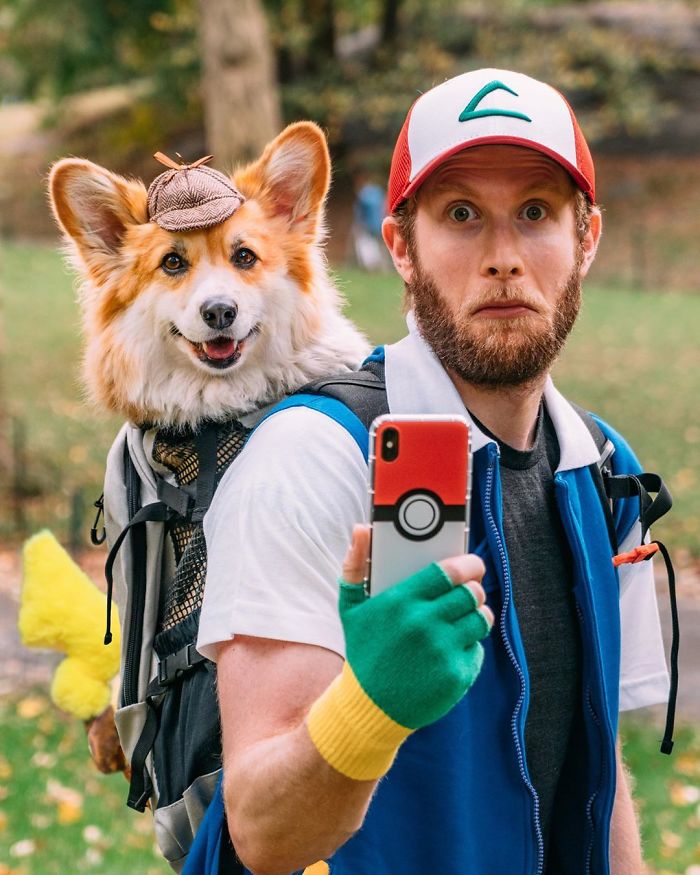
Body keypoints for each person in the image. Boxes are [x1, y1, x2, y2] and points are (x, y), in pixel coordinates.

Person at [194, 68, 670, 874]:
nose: (503, 258)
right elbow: (263, 835)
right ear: (401, 247)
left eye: (535, 213)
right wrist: (371, 707)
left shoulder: (602, 469)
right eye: (460, 215)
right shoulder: (318, 455)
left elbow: (598, 772)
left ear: (585, 239)